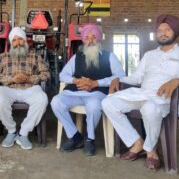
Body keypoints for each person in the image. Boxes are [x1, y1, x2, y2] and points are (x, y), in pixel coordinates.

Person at [102, 14, 179, 171]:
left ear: (175, 31)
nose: (162, 33)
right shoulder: (149, 55)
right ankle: (137, 143)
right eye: (159, 30)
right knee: (108, 102)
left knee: (150, 108)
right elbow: (137, 78)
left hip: (166, 99)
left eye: (167, 29)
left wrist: (178, 80)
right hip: (142, 94)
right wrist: (118, 78)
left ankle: (151, 151)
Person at [51, 24, 124, 156]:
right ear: (83, 40)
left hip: (97, 93)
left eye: (93, 37)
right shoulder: (76, 57)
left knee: (94, 105)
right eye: (87, 38)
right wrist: (76, 81)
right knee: (56, 102)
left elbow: (120, 76)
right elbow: (63, 75)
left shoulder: (109, 56)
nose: (90, 41)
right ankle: (75, 136)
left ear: (99, 38)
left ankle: (90, 139)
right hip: (75, 91)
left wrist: (96, 83)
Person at [0, 27, 50, 150]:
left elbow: (46, 74)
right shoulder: (3, 57)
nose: (18, 43)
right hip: (9, 88)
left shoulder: (35, 56)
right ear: (11, 43)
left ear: (25, 41)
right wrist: (11, 79)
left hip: (30, 88)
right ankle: (11, 131)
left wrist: (29, 79)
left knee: (42, 100)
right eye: (14, 40)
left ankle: (23, 132)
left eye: (20, 39)